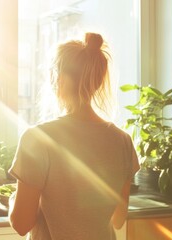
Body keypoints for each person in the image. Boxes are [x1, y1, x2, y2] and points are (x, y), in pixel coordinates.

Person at [8, 32, 140, 240]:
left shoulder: (38, 139)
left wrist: (13, 200)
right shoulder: (122, 140)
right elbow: (118, 218)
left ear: (58, 79)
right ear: (97, 81)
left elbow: (21, 224)